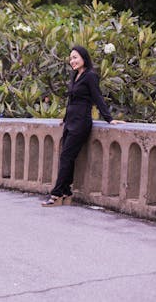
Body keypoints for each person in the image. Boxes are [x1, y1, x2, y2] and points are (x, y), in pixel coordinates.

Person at [42, 45, 125, 207]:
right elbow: (71, 99)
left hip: (81, 122)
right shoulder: (75, 75)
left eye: (75, 57)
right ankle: (66, 192)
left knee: (66, 156)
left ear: (83, 57)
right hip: (70, 121)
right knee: (67, 157)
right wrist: (65, 118)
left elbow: (97, 97)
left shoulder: (90, 76)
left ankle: (56, 193)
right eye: (71, 58)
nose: (72, 61)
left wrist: (109, 119)